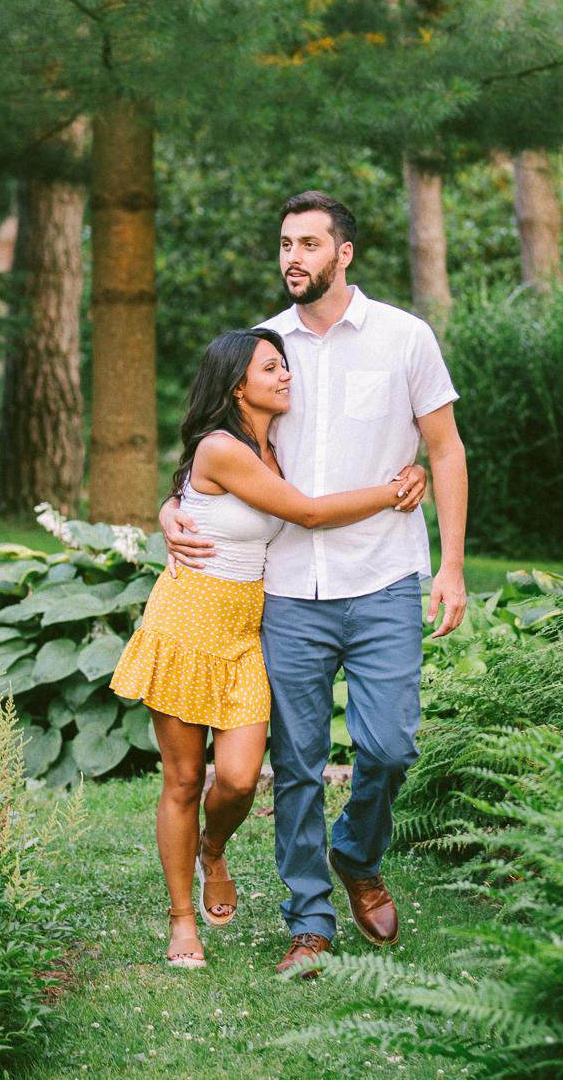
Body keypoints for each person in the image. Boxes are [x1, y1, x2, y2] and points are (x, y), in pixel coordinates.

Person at [160, 189, 469, 979]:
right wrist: (171, 509)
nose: (292, 257)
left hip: (385, 579)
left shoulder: (404, 336)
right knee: (295, 765)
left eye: (308, 243)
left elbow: (446, 450)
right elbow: (213, 441)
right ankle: (309, 920)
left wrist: (453, 565)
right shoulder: (267, 349)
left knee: (390, 745)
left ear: (344, 254)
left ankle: (357, 854)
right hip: (290, 589)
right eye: (285, 243)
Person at [110, 325, 427, 970]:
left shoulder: (270, 445)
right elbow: (306, 513)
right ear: (237, 386)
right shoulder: (223, 447)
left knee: (238, 779)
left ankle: (213, 849)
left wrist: (170, 508)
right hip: (187, 625)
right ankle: (180, 921)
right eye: (270, 368)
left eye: (285, 365)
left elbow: (191, 497)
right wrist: (398, 491)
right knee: (184, 779)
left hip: (244, 634)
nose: (285, 375)